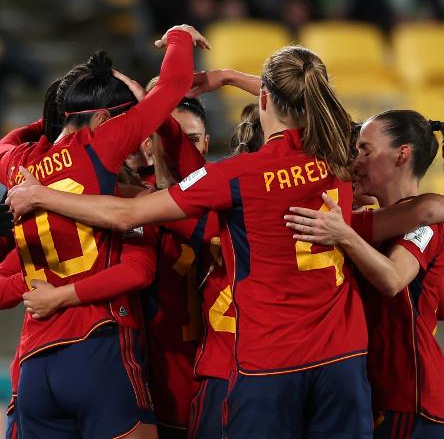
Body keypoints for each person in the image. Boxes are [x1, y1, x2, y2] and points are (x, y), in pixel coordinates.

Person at [7, 45, 374, 438]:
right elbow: (321, 105)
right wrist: (231, 78)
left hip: (266, 359)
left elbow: (127, 218)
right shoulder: (336, 151)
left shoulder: (236, 176)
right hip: (342, 355)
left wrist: (42, 194)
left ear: (265, 98)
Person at [0, 24, 208, 439]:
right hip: (97, 343)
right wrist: (180, 38)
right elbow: (174, 85)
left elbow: (7, 141)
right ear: (102, 118)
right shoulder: (100, 145)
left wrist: (57, 117)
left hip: (36, 358)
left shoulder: (17, 165)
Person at [285, 110, 444, 438]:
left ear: (402, 155)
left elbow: (391, 280)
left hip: (408, 396)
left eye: (365, 150)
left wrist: (344, 235)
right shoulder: (374, 222)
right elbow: (442, 306)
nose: (355, 160)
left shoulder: (426, 224)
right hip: (380, 393)